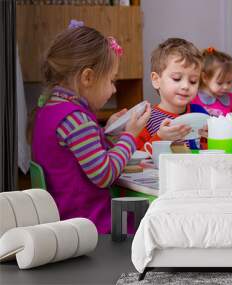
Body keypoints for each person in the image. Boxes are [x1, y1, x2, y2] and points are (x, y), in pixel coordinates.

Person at [31, 21, 151, 234]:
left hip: (62, 218)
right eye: (111, 80)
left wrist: (109, 133)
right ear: (88, 77)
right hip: (88, 224)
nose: (114, 90)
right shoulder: (77, 119)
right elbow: (105, 174)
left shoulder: (50, 108)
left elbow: (82, 157)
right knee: (151, 220)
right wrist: (131, 137)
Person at [135, 38, 208, 150]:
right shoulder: (146, 120)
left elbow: (207, 151)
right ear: (156, 80)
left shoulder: (200, 113)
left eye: (193, 81)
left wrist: (210, 137)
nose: (186, 86)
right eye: (177, 78)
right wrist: (160, 137)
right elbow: (137, 158)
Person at [191, 47, 232, 117]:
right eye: (220, 83)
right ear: (205, 77)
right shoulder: (193, 98)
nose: (226, 87)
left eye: (229, 82)